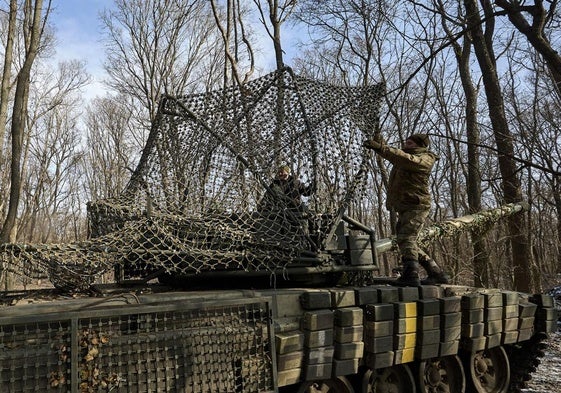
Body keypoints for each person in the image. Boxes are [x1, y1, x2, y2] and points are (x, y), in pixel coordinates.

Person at [363, 133, 449, 286]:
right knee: (405, 240)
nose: (405, 145)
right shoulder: (404, 157)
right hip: (405, 205)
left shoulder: (425, 158)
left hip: (417, 205)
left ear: (419, 145)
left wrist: (381, 148)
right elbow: (395, 154)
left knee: (407, 238)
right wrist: (378, 137)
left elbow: (402, 158)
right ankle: (436, 273)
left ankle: (411, 275)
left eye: (409, 143)